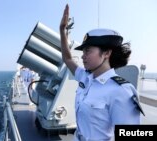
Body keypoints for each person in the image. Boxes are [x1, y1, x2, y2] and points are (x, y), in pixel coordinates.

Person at [59, 4, 144, 141]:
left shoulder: (121, 91)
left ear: (106, 53)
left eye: (88, 51)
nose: (82, 56)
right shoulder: (86, 78)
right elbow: (67, 58)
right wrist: (62, 30)